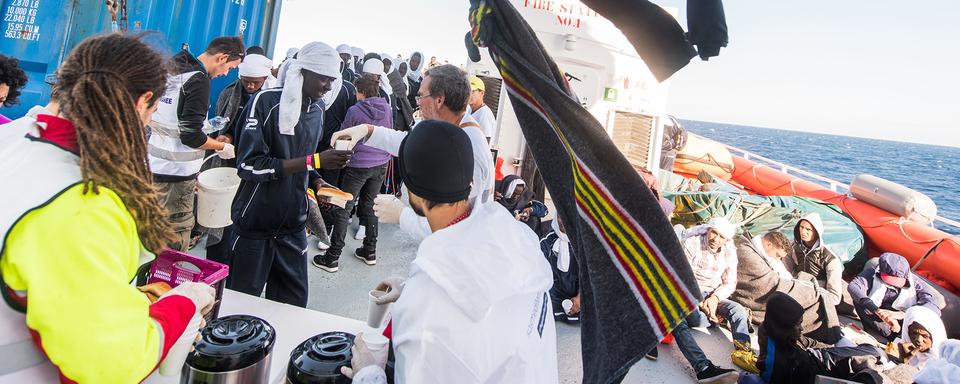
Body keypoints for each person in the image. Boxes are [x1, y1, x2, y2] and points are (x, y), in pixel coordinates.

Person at [0, 33, 215, 382]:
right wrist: (184, 304)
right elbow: (111, 362)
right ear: (144, 100)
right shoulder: (84, 203)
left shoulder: (12, 141)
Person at [342, 120, 558, 383]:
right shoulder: (510, 233)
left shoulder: (425, 313)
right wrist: (413, 286)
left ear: (413, 194)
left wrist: (367, 371)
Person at [226, 42, 352, 307]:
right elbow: (248, 165)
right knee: (239, 304)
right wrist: (315, 160)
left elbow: (303, 160)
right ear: (302, 72)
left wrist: (318, 181)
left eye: (332, 80)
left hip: (293, 225)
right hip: (255, 222)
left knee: (293, 304)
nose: (328, 87)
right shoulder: (266, 102)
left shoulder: (318, 111)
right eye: (323, 79)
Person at [333, 64, 495, 241]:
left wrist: (403, 216)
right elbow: (411, 144)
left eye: (421, 96)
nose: (417, 102)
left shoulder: (471, 148)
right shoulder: (446, 128)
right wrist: (367, 130)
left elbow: (455, 228)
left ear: (439, 101)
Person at [147, 36, 245, 251]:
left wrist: (205, 127)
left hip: (154, 166)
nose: (226, 73)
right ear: (222, 57)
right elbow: (191, 137)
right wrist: (222, 147)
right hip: (176, 176)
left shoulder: (172, 70)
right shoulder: (199, 80)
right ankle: (163, 282)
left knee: (149, 232)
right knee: (174, 235)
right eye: (230, 67)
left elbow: (172, 119)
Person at [315, 74, 393, 272]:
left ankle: (332, 257)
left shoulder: (355, 110)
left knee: (344, 208)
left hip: (359, 165)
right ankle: (370, 250)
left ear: (361, 91)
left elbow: (344, 136)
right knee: (370, 206)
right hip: (381, 163)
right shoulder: (386, 108)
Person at [730, 231, 842, 345]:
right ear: (768, 245)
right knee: (816, 298)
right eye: (778, 255)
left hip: (782, 282)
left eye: (808, 229)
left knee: (819, 294)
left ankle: (830, 333)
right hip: (764, 294)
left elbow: (782, 274)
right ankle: (828, 334)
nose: (778, 259)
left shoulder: (829, 258)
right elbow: (768, 285)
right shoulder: (747, 253)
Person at [754, 293, 885, 384]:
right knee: (872, 374)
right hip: (818, 373)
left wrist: (830, 349)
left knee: (874, 351)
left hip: (818, 357)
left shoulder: (773, 328)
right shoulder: (777, 364)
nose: (801, 328)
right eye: (797, 324)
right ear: (784, 325)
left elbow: (806, 341)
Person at [679, 217, 752, 350]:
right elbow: (683, 276)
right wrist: (703, 305)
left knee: (738, 310)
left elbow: (730, 282)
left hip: (713, 293)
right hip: (690, 292)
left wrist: (715, 298)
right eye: (713, 233)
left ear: (726, 240)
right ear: (708, 230)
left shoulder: (729, 252)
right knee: (696, 318)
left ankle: (744, 350)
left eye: (721, 237)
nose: (715, 239)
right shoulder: (692, 243)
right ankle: (713, 319)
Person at [848, 252, 942, 340]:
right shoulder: (872, 273)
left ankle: (899, 335)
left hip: (903, 319)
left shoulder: (916, 283)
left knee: (924, 315)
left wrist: (902, 314)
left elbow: (933, 303)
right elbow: (854, 287)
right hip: (878, 314)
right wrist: (877, 310)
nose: (894, 285)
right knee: (859, 301)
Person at [785, 213, 843, 307]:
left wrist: (813, 301)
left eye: (808, 229)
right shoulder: (792, 247)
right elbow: (785, 274)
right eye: (801, 227)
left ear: (817, 232)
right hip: (796, 288)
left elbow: (835, 297)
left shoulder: (830, 259)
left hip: (816, 296)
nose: (803, 232)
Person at [540, 218, 580, 323]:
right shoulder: (548, 240)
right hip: (556, 296)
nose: (562, 220)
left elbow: (591, 273)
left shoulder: (584, 240)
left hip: (581, 292)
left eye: (566, 215)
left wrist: (580, 297)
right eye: (559, 215)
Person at [468, 75, 496, 141]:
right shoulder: (469, 110)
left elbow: (486, 141)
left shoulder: (485, 115)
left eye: (473, 92)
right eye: (467, 90)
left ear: (482, 93)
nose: (469, 94)